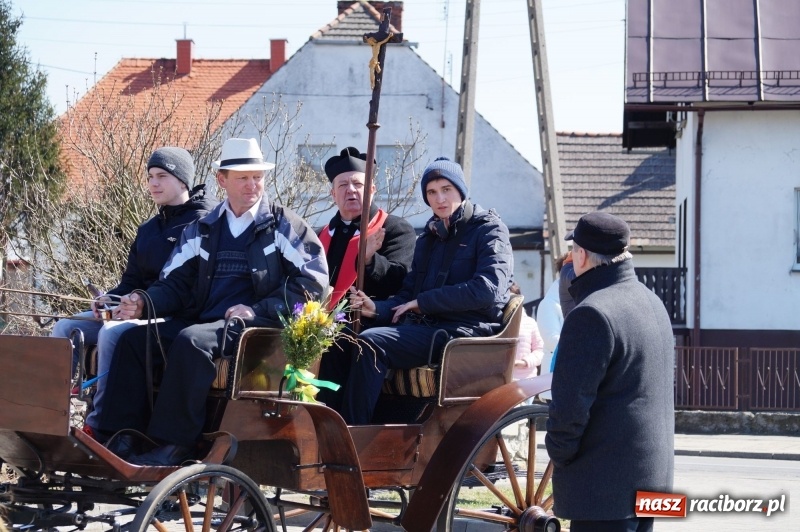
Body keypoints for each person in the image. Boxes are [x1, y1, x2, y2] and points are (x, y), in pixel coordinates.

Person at [89, 138, 328, 466]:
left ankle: (175, 444)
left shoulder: (283, 225)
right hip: (204, 321)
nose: (252, 185)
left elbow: (313, 284)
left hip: (254, 329)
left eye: (257, 177)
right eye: (243, 178)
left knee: (191, 340)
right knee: (132, 340)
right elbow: (174, 283)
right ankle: (122, 437)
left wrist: (257, 309)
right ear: (222, 180)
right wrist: (143, 301)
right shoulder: (203, 227)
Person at [318, 156, 514, 424]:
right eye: (432, 192)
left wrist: (424, 302)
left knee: (371, 343)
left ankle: (352, 431)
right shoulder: (429, 238)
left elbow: (488, 290)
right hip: (429, 328)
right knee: (343, 337)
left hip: (466, 332)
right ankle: (328, 425)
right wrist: (378, 309)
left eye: (446, 189)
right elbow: (407, 294)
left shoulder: (489, 230)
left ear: (461, 190)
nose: (439, 199)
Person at [545, 212, 674, 532]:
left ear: (581, 255)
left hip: (605, 486)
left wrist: (560, 454)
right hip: (652, 478)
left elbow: (570, 407)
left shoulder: (591, 312)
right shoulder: (652, 301)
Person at [51, 147, 216, 384]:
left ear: (183, 181)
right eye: (150, 177)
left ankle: (104, 406)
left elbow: (190, 288)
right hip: (134, 311)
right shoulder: (148, 229)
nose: (153, 183)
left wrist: (141, 305)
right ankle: (55, 403)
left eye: (162, 176)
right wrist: (109, 299)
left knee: (111, 333)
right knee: (65, 327)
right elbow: (131, 281)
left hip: (173, 317)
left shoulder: (203, 223)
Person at [319, 147, 415, 305]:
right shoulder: (318, 236)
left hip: (368, 318)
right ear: (333, 194)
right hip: (318, 318)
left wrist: (370, 260)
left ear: (371, 190)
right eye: (343, 185)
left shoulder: (396, 229)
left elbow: (400, 283)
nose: (350, 190)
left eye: (357, 184)